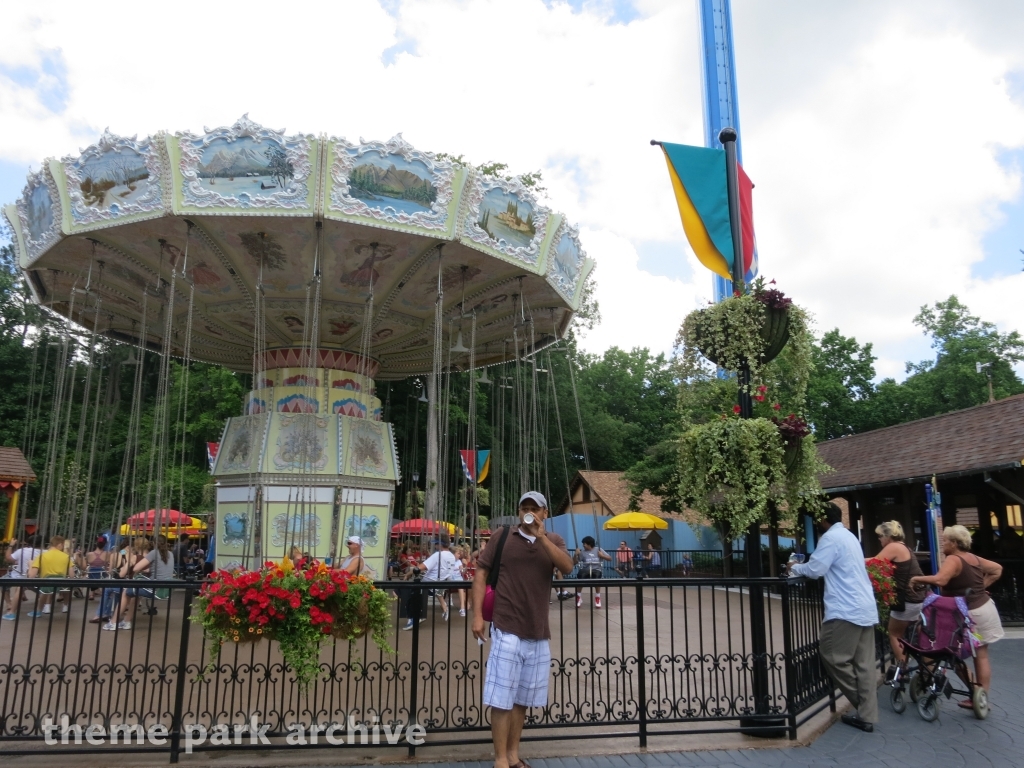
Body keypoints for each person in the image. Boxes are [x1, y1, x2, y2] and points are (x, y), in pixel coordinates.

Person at [472, 491, 573, 768]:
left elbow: (567, 566)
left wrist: (541, 537)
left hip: (538, 631)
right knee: (501, 698)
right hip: (506, 626)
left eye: (534, 508)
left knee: (521, 700)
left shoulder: (553, 540)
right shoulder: (502, 537)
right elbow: (480, 573)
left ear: (544, 513)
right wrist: (477, 616)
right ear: (519, 512)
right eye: (524, 508)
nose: (529, 512)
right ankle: (500, 759)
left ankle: (514, 755)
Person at [789, 503, 879, 732]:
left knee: (832, 654)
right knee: (864, 664)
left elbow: (815, 569)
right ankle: (868, 714)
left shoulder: (830, 539)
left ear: (822, 520)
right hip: (866, 607)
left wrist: (794, 567)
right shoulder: (849, 537)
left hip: (845, 609)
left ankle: (864, 705)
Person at [910, 525, 1004, 704]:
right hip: (985, 608)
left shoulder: (954, 559)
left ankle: (974, 692)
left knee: (953, 654)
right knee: (981, 655)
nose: (943, 544)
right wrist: (980, 589)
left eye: (945, 541)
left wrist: (916, 579)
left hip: (970, 614)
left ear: (954, 543)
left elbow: (940, 580)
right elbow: (997, 569)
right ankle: (980, 698)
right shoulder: (973, 558)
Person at [870, 521, 927, 668]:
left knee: (894, 634)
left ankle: (902, 669)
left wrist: (852, 561)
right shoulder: (904, 547)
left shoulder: (893, 547)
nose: (879, 539)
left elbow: (874, 563)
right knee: (920, 634)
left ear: (889, 536)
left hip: (908, 600)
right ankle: (927, 668)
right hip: (918, 598)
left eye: (880, 536)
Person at [105, 535, 176, 630]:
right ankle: (126, 621)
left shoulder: (152, 553)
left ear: (154, 543)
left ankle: (113, 622)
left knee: (126, 592)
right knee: (136, 594)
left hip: (154, 588)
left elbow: (135, 568)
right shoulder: (170, 554)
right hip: (166, 589)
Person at [27, 535, 73, 616]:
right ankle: (65, 606)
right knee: (67, 586)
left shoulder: (42, 556)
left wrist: (31, 564)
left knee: (44, 590)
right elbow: (72, 575)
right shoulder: (66, 557)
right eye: (63, 545)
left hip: (45, 584)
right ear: (59, 545)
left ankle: (38, 611)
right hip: (61, 585)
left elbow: (31, 575)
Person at [418, 537, 461, 622]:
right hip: (443, 581)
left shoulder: (438, 555)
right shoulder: (451, 556)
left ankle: (415, 614)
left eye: (436, 544)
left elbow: (421, 567)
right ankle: (444, 606)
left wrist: (408, 573)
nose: (435, 545)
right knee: (436, 589)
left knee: (408, 587)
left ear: (440, 545)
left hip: (431, 582)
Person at [3, 534, 42, 620]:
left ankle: (10, 604)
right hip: (37, 578)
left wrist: (11, 545)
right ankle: (41, 608)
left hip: (19, 576)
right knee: (44, 592)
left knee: (3, 583)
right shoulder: (45, 553)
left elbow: (8, 559)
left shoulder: (22, 551)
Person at [574, 536, 611, 608]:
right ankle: (578, 596)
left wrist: (602, 556)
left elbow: (609, 558)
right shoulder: (582, 552)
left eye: (584, 544)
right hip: (586, 569)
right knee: (580, 577)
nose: (583, 545)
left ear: (589, 544)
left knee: (597, 578)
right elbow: (574, 562)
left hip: (596, 569)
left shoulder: (599, 550)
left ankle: (597, 597)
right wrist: (576, 554)